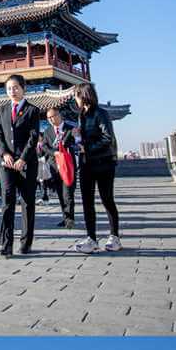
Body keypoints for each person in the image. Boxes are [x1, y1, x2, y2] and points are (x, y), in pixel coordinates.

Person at [0, 75, 41, 261]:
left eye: (15, 87)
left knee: (27, 202)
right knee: (7, 201)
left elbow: (33, 137)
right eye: (9, 88)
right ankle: (6, 244)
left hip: (26, 163)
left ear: (23, 88)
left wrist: (23, 158)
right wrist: (4, 153)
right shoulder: (3, 109)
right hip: (7, 163)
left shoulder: (32, 110)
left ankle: (26, 241)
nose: (12, 91)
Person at [78, 88, 120, 244]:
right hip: (86, 164)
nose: (75, 100)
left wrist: (87, 148)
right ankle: (91, 238)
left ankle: (114, 236)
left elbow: (107, 138)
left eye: (76, 96)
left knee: (107, 199)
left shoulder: (101, 113)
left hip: (103, 163)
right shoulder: (81, 115)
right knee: (87, 202)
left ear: (83, 96)